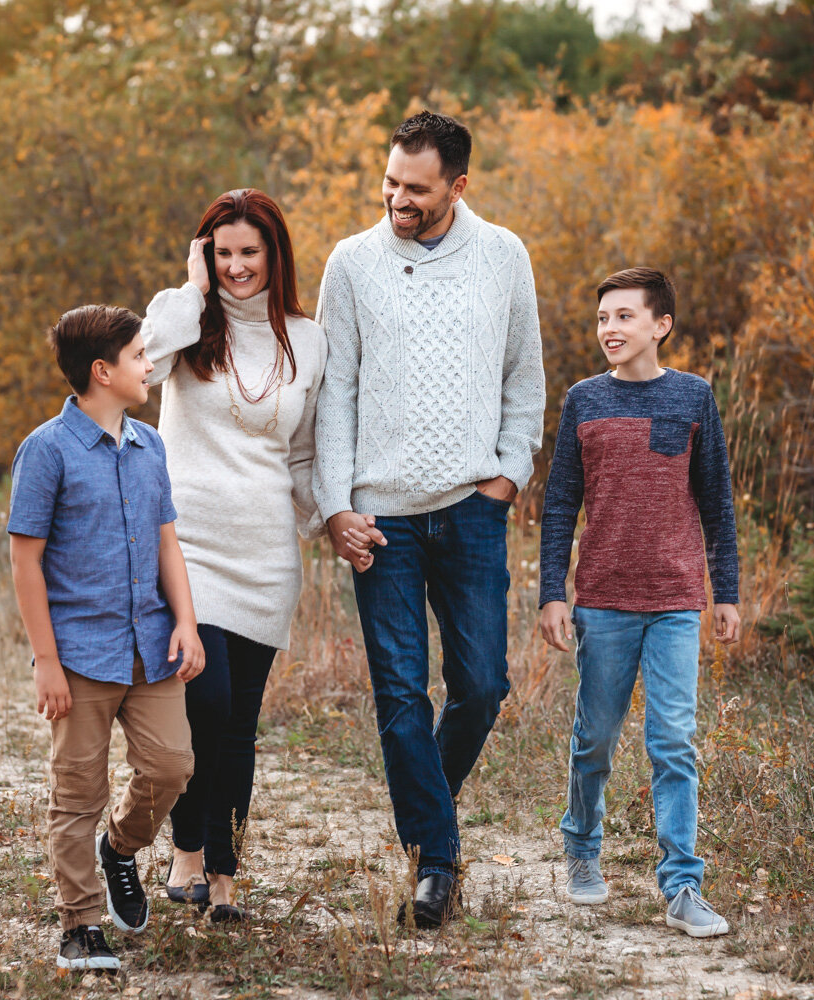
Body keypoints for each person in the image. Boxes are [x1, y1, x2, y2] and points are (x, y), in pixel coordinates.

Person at [314, 111, 546, 928]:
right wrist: (335, 506)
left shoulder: (504, 256)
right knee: (402, 694)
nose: (396, 199)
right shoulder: (350, 263)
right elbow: (333, 392)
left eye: (415, 188)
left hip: (472, 509)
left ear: (458, 185)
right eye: (389, 182)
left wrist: (509, 477)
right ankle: (436, 860)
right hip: (381, 518)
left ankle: (424, 811)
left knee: (482, 687)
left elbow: (526, 380)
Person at [140, 189, 329, 923]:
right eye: (223, 253)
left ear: (274, 255)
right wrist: (191, 288)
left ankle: (223, 875)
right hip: (187, 543)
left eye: (250, 252)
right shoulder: (186, 320)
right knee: (203, 701)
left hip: (265, 554)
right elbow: (142, 369)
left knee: (239, 721)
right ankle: (188, 848)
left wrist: (333, 520)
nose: (237, 266)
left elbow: (306, 452)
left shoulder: (307, 340)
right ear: (205, 256)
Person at [537, 267, 741, 938]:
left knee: (673, 743)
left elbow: (716, 501)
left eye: (624, 317)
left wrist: (726, 594)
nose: (610, 330)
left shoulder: (693, 398)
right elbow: (561, 501)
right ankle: (582, 848)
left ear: (661, 325)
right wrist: (552, 594)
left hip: (678, 602)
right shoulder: (584, 402)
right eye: (602, 319)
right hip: (603, 602)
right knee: (594, 740)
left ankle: (683, 885)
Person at [7, 304, 205, 972]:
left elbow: (165, 540)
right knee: (77, 793)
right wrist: (46, 662)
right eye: (138, 357)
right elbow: (25, 560)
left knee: (173, 764)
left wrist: (185, 620)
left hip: (151, 648)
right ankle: (81, 926)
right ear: (103, 371)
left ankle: (119, 849)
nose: (148, 366)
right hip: (81, 655)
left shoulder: (150, 447)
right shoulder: (47, 450)